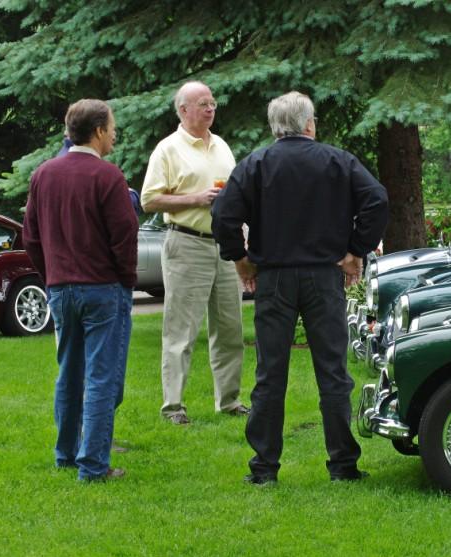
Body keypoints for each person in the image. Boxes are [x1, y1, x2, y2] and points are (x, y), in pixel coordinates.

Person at [212, 91, 388, 485]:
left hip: (272, 277)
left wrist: (239, 257)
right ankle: (342, 464)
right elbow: (376, 199)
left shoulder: (256, 163)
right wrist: (355, 251)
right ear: (309, 124)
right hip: (325, 275)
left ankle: (264, 468)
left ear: (275, 126)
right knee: (333, 371)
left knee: (270, 373)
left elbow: (224, 213)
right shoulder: (337, 160)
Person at [23, 99, 138, 481]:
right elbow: (125, 237)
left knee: (68, 372)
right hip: (102, 288)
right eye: (113, 127)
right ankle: (93, 466)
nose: (115, 134)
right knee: (102, 377)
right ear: (99, 131)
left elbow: (31, 236)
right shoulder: (108, 178)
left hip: (61, 288)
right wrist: (125, 281)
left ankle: (66, 455)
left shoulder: (43, 174)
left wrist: (52, 273)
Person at [141, 81, 246, 425]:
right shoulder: (168, 150)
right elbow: (149, 200)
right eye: (202, 103)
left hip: (225, 246)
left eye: (213, 103)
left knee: (230, 328)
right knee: (180, 331)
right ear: (183, 110)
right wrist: (194, 199)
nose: (210, 108)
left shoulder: (222, 147)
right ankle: (173, 406)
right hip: (186, 243)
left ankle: (229, 401)